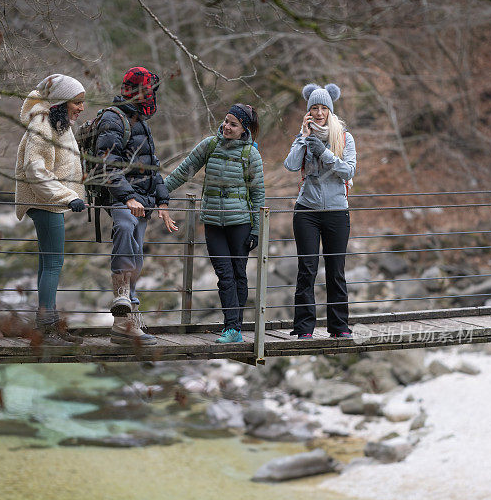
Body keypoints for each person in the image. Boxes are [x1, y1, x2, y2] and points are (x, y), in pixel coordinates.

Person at [164, 103, 264, 343]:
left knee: (239, 274)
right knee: (224, 274)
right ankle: (232, 329)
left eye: (233, 124)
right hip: (212, 222)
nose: (227, 127)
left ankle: (234, 329)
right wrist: (158, 193)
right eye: (226, 121)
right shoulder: (210, 145)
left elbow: (258, 194)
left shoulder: (250, 154)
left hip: (240, 222)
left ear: (244, 129)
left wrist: (257, 228)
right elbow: (184, 171)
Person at [94, 66, 177, 344]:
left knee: (137, 255)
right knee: (125, 227)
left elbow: (153, 169)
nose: (152, 95)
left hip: (143, 199)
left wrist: (163, 200)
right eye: (149, 90)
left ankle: (128, 321)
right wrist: (126, 196)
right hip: (121, 198)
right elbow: (105, 165)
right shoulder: (112, 119)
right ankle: (122, 302)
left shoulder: (139, 120)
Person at [15, 73, 87, 345]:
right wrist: (67, 197)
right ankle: (46, 328)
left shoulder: (57, 123)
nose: (81, 108)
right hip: (46, 203)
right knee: (54, 264)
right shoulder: (43, 125)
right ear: (61, 101)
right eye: (77, 102)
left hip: (49, 202)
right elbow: (35, 170)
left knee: (48, 264)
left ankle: (48, 325)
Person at [284, 82, 356, 339]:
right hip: (307, 212)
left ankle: (339, 327)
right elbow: (291, 165)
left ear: (330, 110)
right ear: (308, 111)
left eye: (323, 107)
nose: (318, 113)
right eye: (313, 107)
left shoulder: (345, 138)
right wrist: (304, 139)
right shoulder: (303, 136)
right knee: (307, 269)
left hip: (337, 212)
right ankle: (304, 328)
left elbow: (348, 171)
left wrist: (324, 152)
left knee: (336, 270)